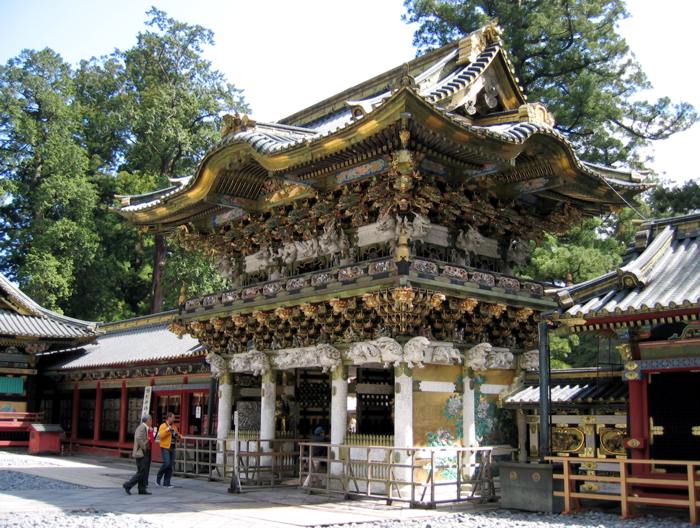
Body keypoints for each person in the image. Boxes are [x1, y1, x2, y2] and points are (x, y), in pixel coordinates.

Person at [123, 414, 152, 495]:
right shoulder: (142, 427)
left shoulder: (146, 428)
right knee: (142, 471)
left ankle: (142, 489)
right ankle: (128, 485)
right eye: (151, 420)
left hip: (144, 452)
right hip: (142, 452)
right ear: (148, 420)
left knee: (144, 470)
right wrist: (144, 446)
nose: (151, 422)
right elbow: (138, 437)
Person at [156, 412, 179, 488]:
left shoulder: (174, 427)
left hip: (172, 447)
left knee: (170, 465)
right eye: (173, 417)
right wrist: (167, 430)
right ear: (169, 418)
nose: (174, 419)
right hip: (165, 447)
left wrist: (178, 436)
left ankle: (167, 483)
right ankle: (158, 477)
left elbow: (178, 435)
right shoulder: (163, 426)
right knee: (167, 463)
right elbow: (160, 436)